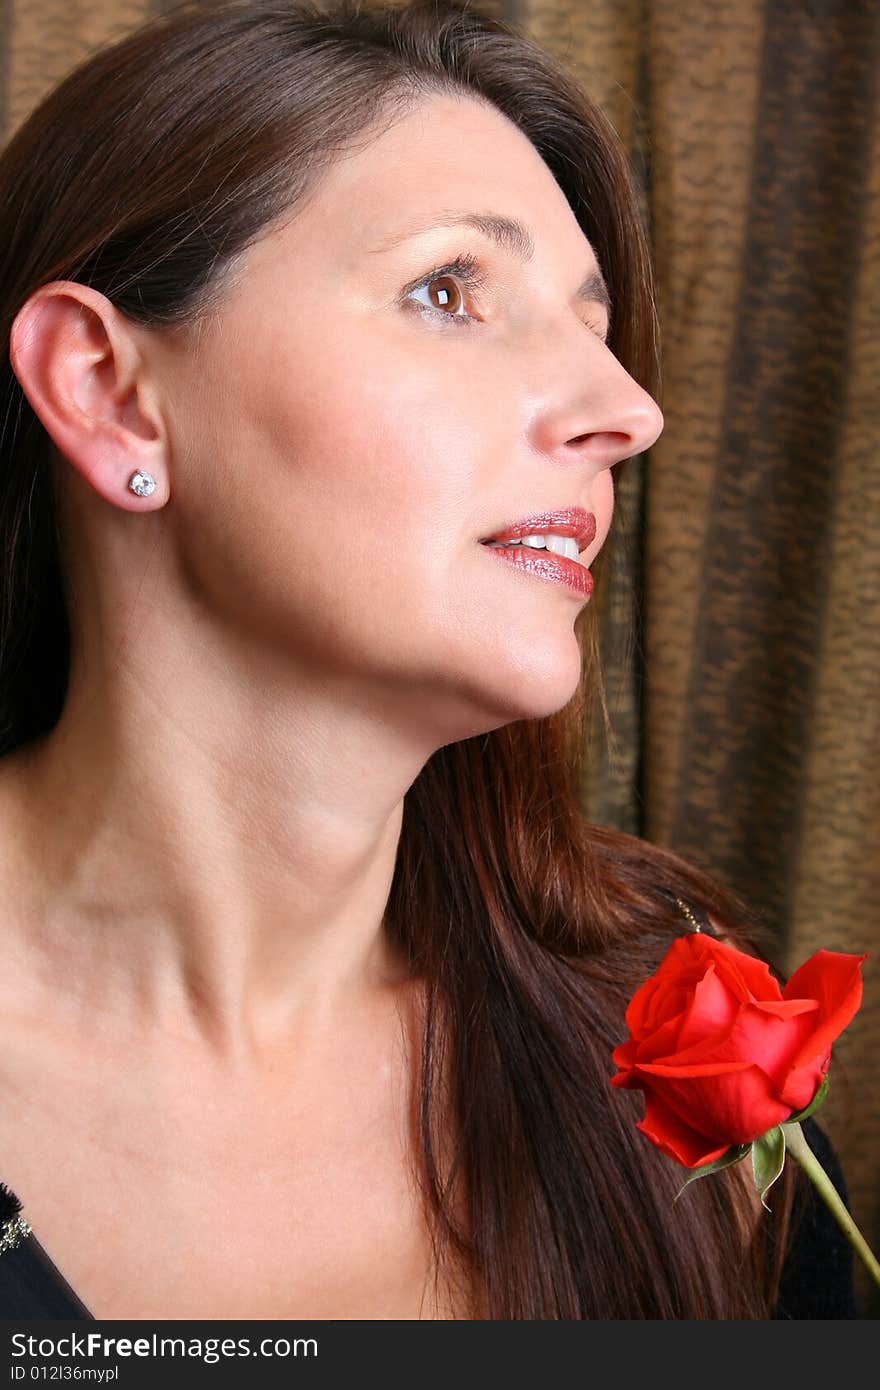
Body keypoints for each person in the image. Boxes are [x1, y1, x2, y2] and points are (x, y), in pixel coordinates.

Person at [0, 0, 860, 1320]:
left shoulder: (655, 1040)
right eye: (450, 291)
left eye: (593, 321)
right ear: (110, 390)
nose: (628, 413)